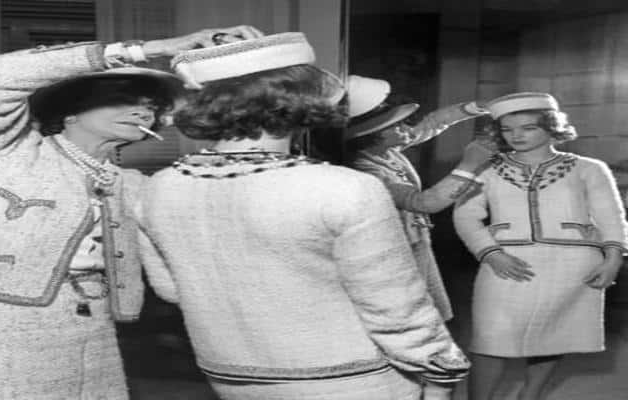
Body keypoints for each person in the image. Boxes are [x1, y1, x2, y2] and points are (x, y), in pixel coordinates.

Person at [138, 32, 470, 400]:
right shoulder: (345, 187)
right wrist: (441, 372)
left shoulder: (158, 187)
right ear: (301, 100)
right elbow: (396, 307)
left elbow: (171, 288)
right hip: (350, 380)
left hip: (231, 376)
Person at [0, 25, 261, 399]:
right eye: (123, 99)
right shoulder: (5, 153)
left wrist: (234, 76)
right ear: (71, 111)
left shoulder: (133, 185)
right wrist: (151, 49)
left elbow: (193, 251)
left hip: (91, 332)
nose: (142, 110)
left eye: (151, 106)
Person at [452, 92, 628, 400]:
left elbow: (611, 217)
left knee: (553, 336)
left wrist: (613, 259)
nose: (516, 136)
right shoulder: (485, 168)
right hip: (506, 262)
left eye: (528, 128)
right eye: (508, 129)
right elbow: (465, 215)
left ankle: (531, 395)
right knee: (490, 340)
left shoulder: (589, 168)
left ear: (552, 127)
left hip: (572, 266)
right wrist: (491, 253)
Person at [344, 76, 494, 399]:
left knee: (428, 323)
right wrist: (469, 165)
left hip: (416, 247)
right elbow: (423, 202)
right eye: (396, 126)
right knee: (406, 328)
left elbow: (434, 123)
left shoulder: (387, 149)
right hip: (391, 257)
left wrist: (478, 107)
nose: (407, 129)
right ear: (372, 135)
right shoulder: (366, 169)